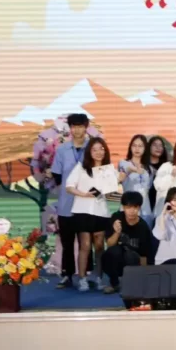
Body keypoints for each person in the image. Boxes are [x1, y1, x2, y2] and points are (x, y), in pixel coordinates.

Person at [65, 137, 124, 292]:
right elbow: (69, 186)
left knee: (99, 246)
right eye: (95, 149)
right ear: (89, 152)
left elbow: (113, 193)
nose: (98, 152)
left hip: (101, 212)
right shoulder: (81, 167)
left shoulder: (109, 170)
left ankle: (98, 278)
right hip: (82, 211)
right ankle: (82, 278)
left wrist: (120, 180)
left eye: (101, 149)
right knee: (85, 246)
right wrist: (84, 194)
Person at [50, 113, 90, 289]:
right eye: (74, 126)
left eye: (80, 126)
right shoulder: (62, 150)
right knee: (67, 242)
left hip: (87, 204)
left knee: (85, 242)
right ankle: (67, 275)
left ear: (86, 127)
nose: (77, 130)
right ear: (70, 128)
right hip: (66, 203)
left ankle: (86, 275)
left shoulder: (93, 148)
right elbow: (57, 175)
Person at [102, 191, 153, 294]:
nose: (132, 211)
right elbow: (110, 244)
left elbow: (144, 256)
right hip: (117, 260)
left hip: (134, 262)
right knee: (111, 253)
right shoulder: (116, 218)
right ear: (123, 207)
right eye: (128, 207)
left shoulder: (143, 227)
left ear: (139, 208)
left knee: (130, 255)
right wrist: (117, 232)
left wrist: (144, 280)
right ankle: (114, 284)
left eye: (135, 207)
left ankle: (132, 284)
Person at [119, 134, 153, 226]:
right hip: (128, 207)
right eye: (134, 145)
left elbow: (148, 188)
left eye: (140, 146)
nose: (137, 149)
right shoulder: (123, 163)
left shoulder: (149, 168)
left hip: (145, 209)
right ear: (130, 147)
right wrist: (132, 170)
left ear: (145, 148)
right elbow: (122, 177)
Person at [145, 136, 168, 220]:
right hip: (145, 203)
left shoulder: (166, 166)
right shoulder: (143, 166)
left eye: (160, 145)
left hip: (160, 204)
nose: (158, 148)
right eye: (155, 145)